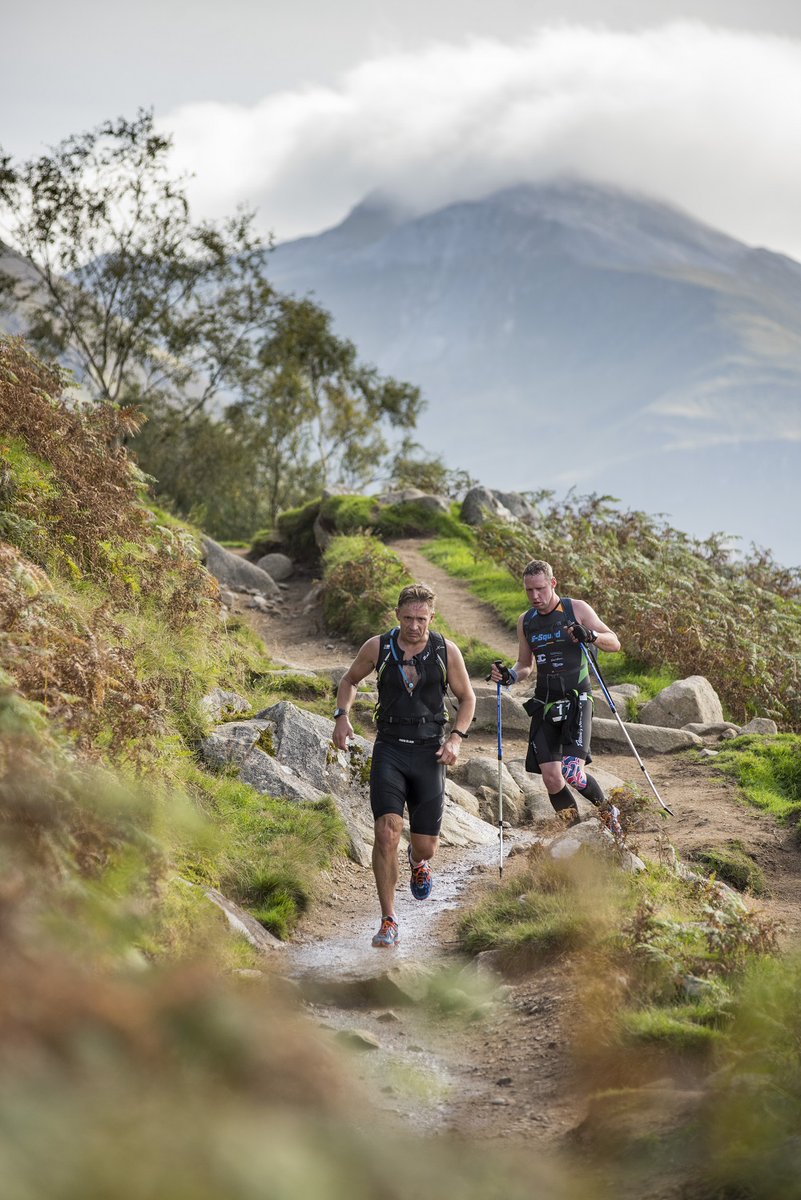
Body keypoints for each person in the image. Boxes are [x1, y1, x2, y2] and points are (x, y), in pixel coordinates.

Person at [332, 583, 476, 948]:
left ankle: (417, 860)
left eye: (422, 619)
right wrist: (342, 715)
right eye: (409, 618)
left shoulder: (446, 650)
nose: (415, 626)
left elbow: (467, 697)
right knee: (386, 832)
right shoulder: (378, 647)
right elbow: (349, 680)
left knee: (426, 846)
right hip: (391, 748)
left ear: (432, 617)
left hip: (430, 751)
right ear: (397, 615)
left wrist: (456, 738)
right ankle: (389, 919)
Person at [490, 559, 621, 826]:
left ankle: (610, 815)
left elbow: (615, 643)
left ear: (552, 583)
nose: (534, 596)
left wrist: (591, 635)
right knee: (551, 777)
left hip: (578, 699)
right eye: (529, 590)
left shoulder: (576, 609)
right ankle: (574, 833)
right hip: (546, 702)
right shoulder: (526, 621)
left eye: (540, 589)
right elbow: (525, 665)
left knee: (573, 772)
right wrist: (509, 676)